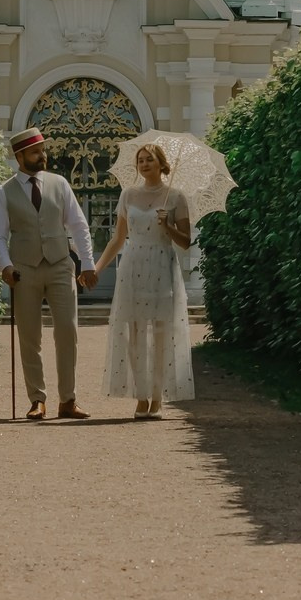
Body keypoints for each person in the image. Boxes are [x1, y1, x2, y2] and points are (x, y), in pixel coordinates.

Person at [0, 127, 97, 421]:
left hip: (61, 264)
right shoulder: (4, 192)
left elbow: (78, 225)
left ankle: (68, 400)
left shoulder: (59, 184)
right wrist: (5, 265)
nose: (43, 156)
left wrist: (87, 263)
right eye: (36, 152)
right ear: (20, 156)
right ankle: (37, 399)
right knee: (29, 336)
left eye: (43, 150)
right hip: (24, 270)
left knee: (67, 332)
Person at [89, 143, 195, 419]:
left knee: (160, 334)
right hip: (133, 264)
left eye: (150, 159)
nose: (145, 164)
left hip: (162, 265)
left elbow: (186, 242)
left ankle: (158, 396)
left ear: (161, 164)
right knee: (134, 334)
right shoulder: (128, 195)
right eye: (141, 160)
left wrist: (168, 226)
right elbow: (117, 239)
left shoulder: (176, 197)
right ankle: (140, 395)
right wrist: (97, 268)